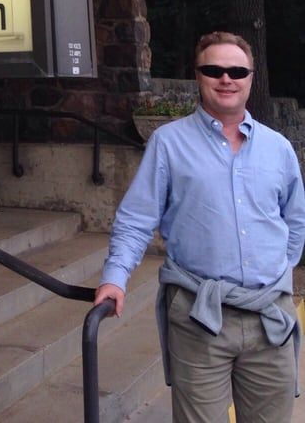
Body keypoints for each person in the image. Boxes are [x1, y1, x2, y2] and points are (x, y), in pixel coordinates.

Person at [94, 31, 305, 422]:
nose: (226, 78)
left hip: (269, 318)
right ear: (198, 76)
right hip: (199, 315)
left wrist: (275, 276)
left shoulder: (278, 148)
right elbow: (137, 218)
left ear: (250, 77)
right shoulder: (168, 143)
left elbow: (294, 222)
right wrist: (115, 278)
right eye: (214, 69)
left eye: (237, 70)